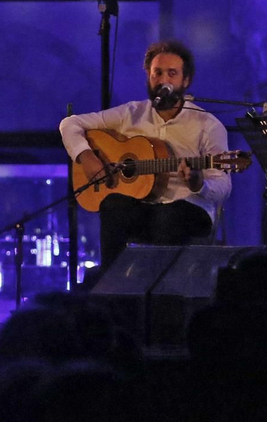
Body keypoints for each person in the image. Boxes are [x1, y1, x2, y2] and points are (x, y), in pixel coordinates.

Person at [60, 40, 231, 281]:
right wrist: (86, 157)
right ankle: (114, 289)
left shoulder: (208, 125)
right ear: (148, 76)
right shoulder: (130, 114)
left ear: (186, 80)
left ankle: (164, 298)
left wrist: (198, 183)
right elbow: (70, 123)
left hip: (188, 209)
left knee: (168, 217)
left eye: (172, 74)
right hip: (140, 206)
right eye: (157, 73)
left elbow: (223, 187)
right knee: (112, 204)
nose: (163, 81)